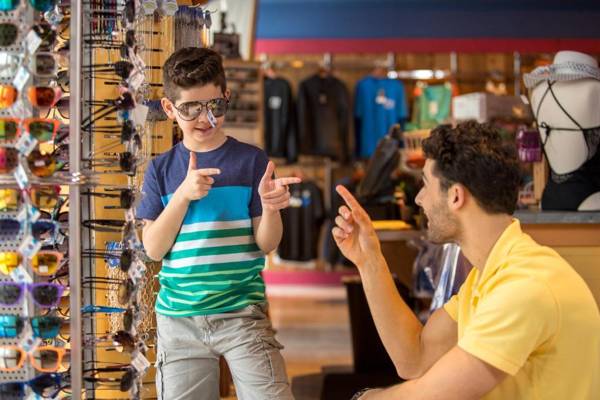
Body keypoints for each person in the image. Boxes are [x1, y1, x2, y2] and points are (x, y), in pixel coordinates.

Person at [333, 121, 600, 399]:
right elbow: (415, 357)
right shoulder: (489, 276)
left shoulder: (525, 285)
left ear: (456, 196)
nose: (420, 199)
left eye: (425, 184)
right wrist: (369, 260)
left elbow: (429, 395)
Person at [137, 47, 299, 400]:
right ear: (169, 108)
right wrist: (182, 196)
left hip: (242, 313)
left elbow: (267, 244)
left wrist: (271, 209)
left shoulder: (251, 160)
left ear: (227, 97)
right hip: (178, 321)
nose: (205, 119)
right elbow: (153, 248)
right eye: (190, 109)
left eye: (215, 106)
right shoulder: (161, 171)